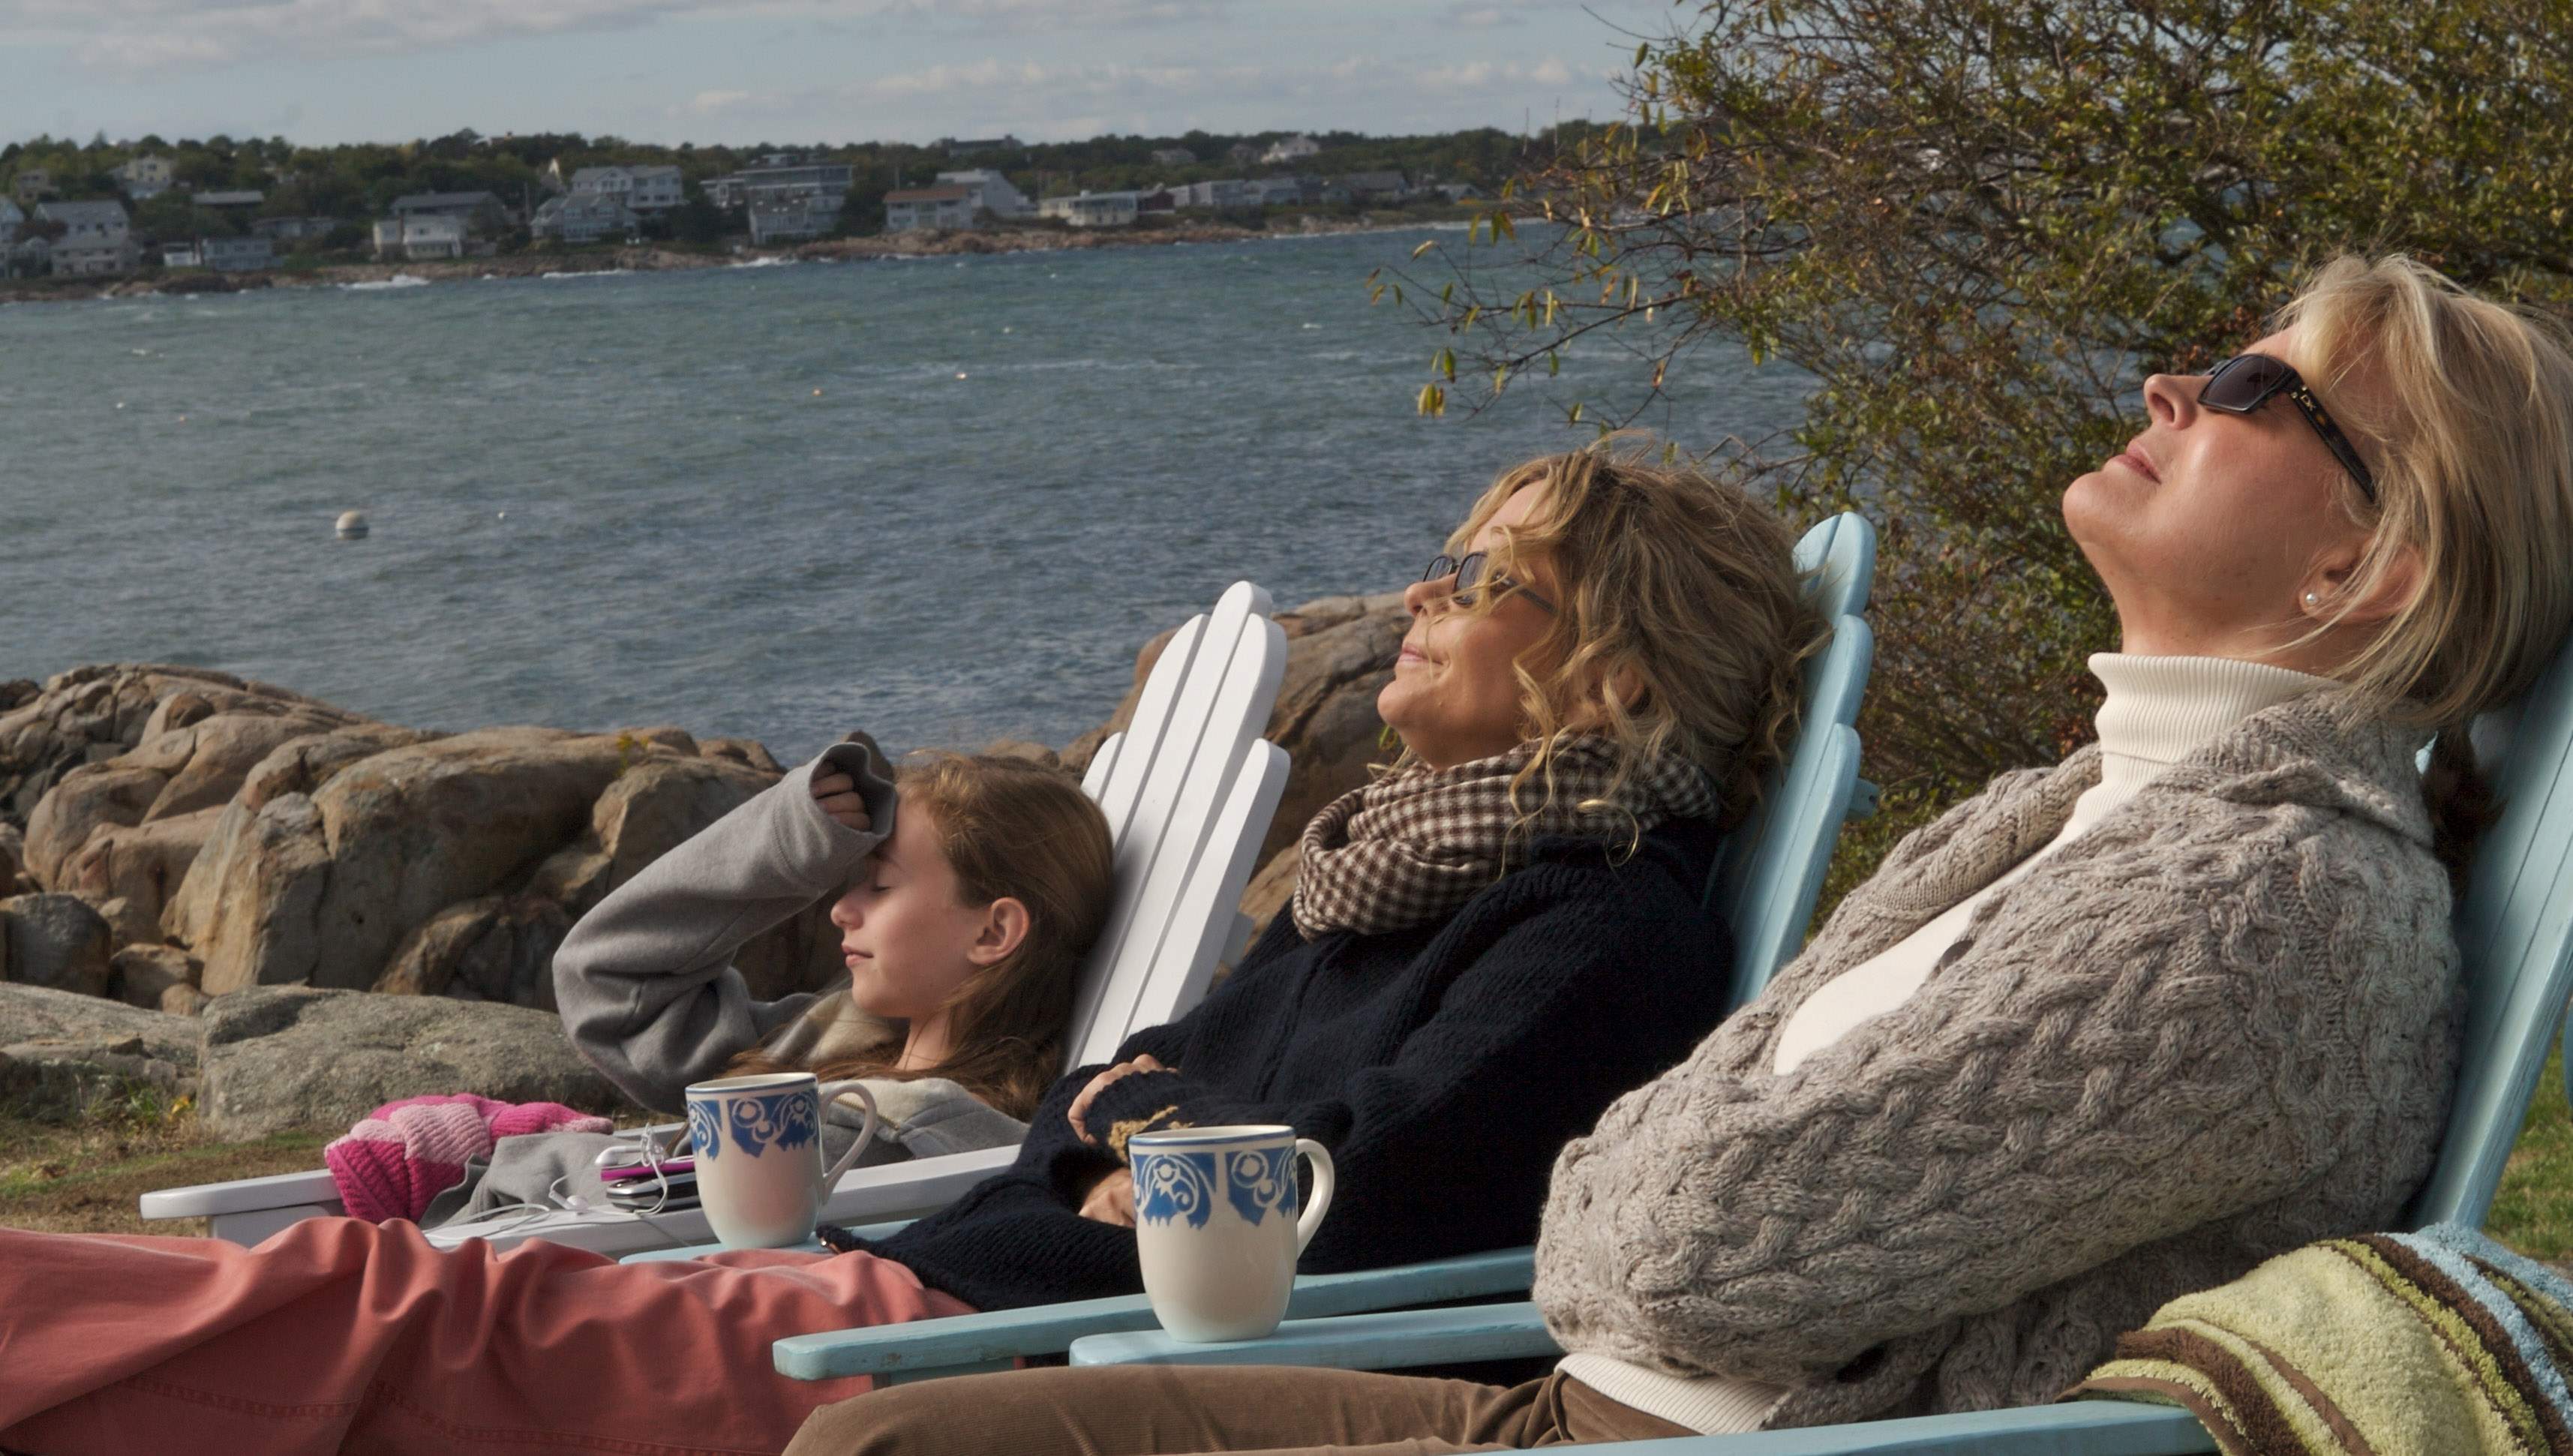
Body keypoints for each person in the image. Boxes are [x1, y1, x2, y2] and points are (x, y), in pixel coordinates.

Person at [787, 253, 2573, 1455]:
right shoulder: (2073, 815)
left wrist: (1625, 1194)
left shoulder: (2262, 913)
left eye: (2265, 384)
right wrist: (1630, 1194)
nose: (2183, 378)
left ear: (2367, 569)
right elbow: (1669, 1166)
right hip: (1573, 1397)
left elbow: (1674, 1227)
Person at [0, 443, 1820, 1456]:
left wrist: (1138, 1132)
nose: (1422, 592)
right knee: (392, 1318)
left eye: (1489, 578)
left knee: (395, 1323)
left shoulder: (1595, 925)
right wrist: (1135, 1127)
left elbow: (1364, 1184)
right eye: (1444, 559)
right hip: (967, 1292)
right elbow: (1112, 1117)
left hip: (1007, 1356)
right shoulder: (1379, 881)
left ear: (1623, 663)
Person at [398, 748, 1110, 1231]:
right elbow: (603, 978)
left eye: (879, 884)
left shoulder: (913, 1132)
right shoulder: (835, 1041)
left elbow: (684, 1210)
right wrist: (793, 840)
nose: (840, 907)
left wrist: (542, 1158)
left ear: (992, 934)